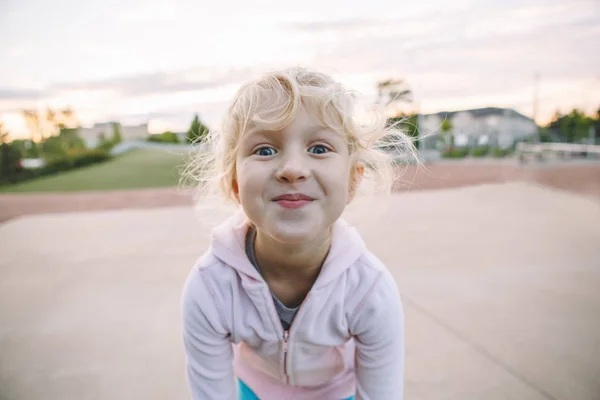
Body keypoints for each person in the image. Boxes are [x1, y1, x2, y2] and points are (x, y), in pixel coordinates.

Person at [181, 67, 414, 400]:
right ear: (235, 183)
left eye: (319, 148)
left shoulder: (369, 289)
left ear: (353, 181)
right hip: (256, 390)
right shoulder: (210, 286)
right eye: (264, 150)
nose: (292, 169)